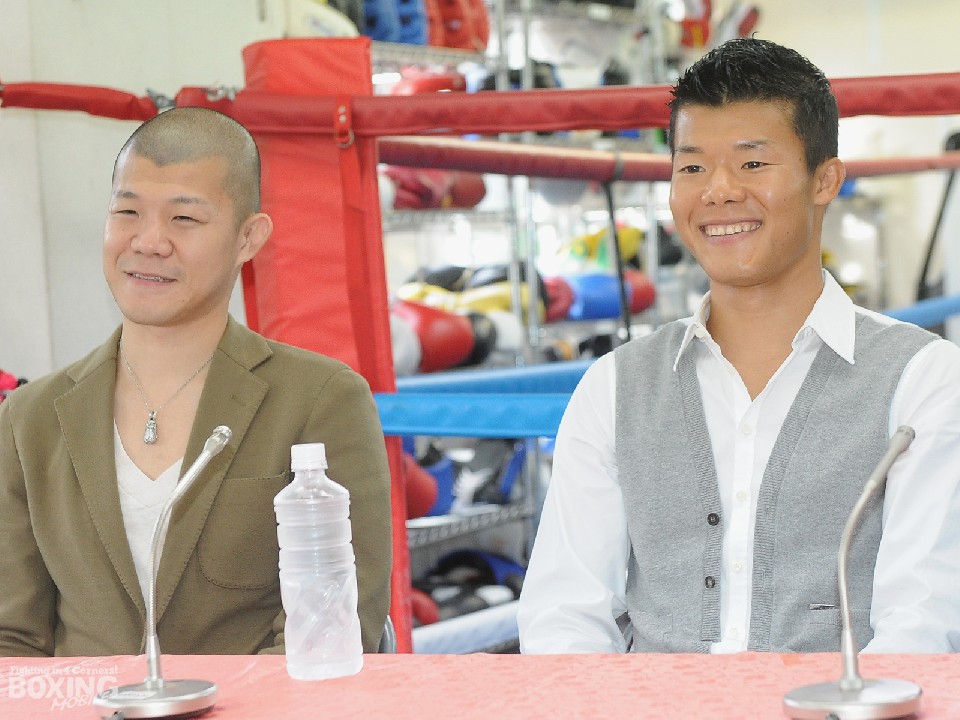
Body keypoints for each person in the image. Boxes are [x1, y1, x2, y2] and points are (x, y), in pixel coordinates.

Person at [518, 38, 960, 654]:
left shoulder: (924, 380)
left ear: (825, 180)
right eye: (692, 167)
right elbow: (564, 617)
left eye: (752, 164)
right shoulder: (615, 386)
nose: (718, 191)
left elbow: (924, 624)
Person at [0, 107, 392, 656]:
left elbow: (329, 632)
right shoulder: (28, 418)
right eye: (127, 212)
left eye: (184, 219)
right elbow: (11, 636)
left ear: (248, 238)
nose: (149, 241)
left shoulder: (321, 399)